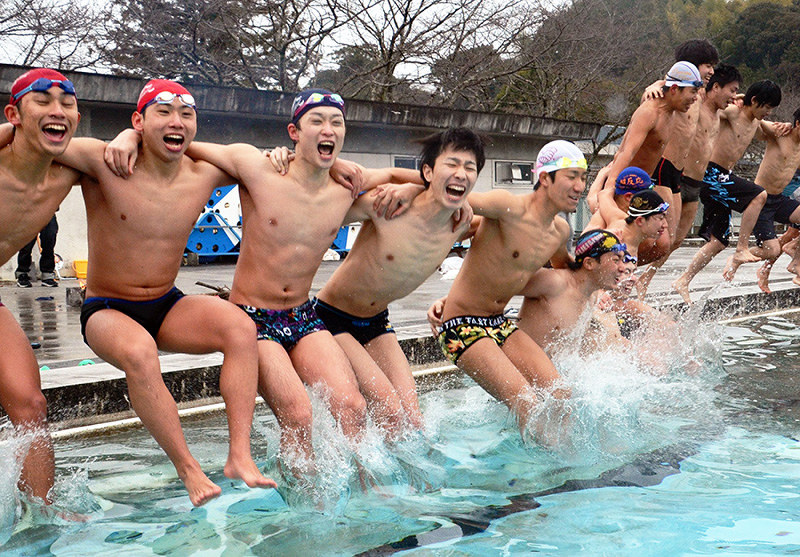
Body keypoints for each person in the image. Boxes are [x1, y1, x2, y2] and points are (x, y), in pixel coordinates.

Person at [108, 88, 424, 474]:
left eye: (336, 123)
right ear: (295, 131)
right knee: (297, 414)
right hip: (254, 319)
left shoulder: (346, 188)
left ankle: (364, 497)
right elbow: (179, 145)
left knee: (352, 406)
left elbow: (425, 180)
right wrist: (128, 135)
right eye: (317, 122)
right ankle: (306, 510)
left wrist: (408, 186)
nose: (328, 129)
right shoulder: (257, 167)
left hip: (305, 317)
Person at [52, 79, 276, 506]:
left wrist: (331, 165)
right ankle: (189, 469)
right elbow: (35, 141)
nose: (176, 122)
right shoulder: (103, 161)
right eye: (163, 113)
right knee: (139, 353)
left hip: (166, 302)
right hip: (106, 307)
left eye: (186, 115)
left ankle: (239, 455)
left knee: (240, 327)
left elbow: (268, 163)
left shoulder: (205, 172)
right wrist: (124, 138)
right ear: (139, 120)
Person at [311, 128, 482, 435]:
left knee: (411, 420)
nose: (461, 174)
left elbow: (506, 238)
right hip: (330, 317)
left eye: (470, 168)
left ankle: (402, 482)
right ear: (427, 172)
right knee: (386, 410)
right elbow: (321, 205)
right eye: (452, 164)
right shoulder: (389, 204)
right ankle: (367, 481)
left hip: (376, 322)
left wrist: (450, 300)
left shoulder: (461, 222)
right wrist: (406, 186)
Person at [427, 140, 586, 440]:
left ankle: (559, 461)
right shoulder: (507, 207)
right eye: (572, 176)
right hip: (460, 325)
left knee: (562, 395)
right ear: (545, 178)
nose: (579, 186)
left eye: (583, 177)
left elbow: (569, 269)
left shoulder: (559, 232)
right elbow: (450, 202)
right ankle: (534, 481)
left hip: (499, 325)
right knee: (526, 402)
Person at [0, 68, 82, 504]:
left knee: (31, 407)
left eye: (67, 103)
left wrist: (127, 140)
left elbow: (133, 150)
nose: (57, 111)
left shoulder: (69, 170)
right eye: (43, 100)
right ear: (14, 113)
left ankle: (40, 517)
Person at [673, 80, 789, 303]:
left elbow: (770, 128)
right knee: (758, 195)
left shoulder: (756, 121)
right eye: (766, 107)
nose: (768, 112)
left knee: (718, 241)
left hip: (722, 178)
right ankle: (742, 248)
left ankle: (683, 281)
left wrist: (785, 126)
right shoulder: (733, 112)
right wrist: (732, 98)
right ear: (754, 101)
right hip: (710, 174)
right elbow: (710, 105)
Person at [586, 61, 701, 267]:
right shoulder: (650, 112)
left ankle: (620, 273)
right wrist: (610, 189)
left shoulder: (670, 110)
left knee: (663, 243)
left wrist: (655, 83)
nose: (695, 98)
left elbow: (665, 83)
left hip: (642, 187)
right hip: (624, 188)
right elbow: (625, 151)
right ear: (675, 89)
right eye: (692, 92)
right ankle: (607, 278)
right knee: (625, 239)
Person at [515, 229, 627, 355]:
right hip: (522, 369)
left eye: (623, 260)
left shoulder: (592, 294)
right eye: (616, 260)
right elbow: (499, 284)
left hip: (559, 370)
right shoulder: (554, 283)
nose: (623, 268)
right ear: (589, 263)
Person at [605, 189, 669, 261]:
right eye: (661, 218)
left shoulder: (618, 218)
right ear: (640, 221)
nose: (665, 225)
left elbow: (603, 196)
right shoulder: (618, 251)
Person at [16, 214, 59, 287]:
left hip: (48, 212)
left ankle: (47, 275)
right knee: (27, 245)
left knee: (49, 240)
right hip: (29, 212)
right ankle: (22, 273)